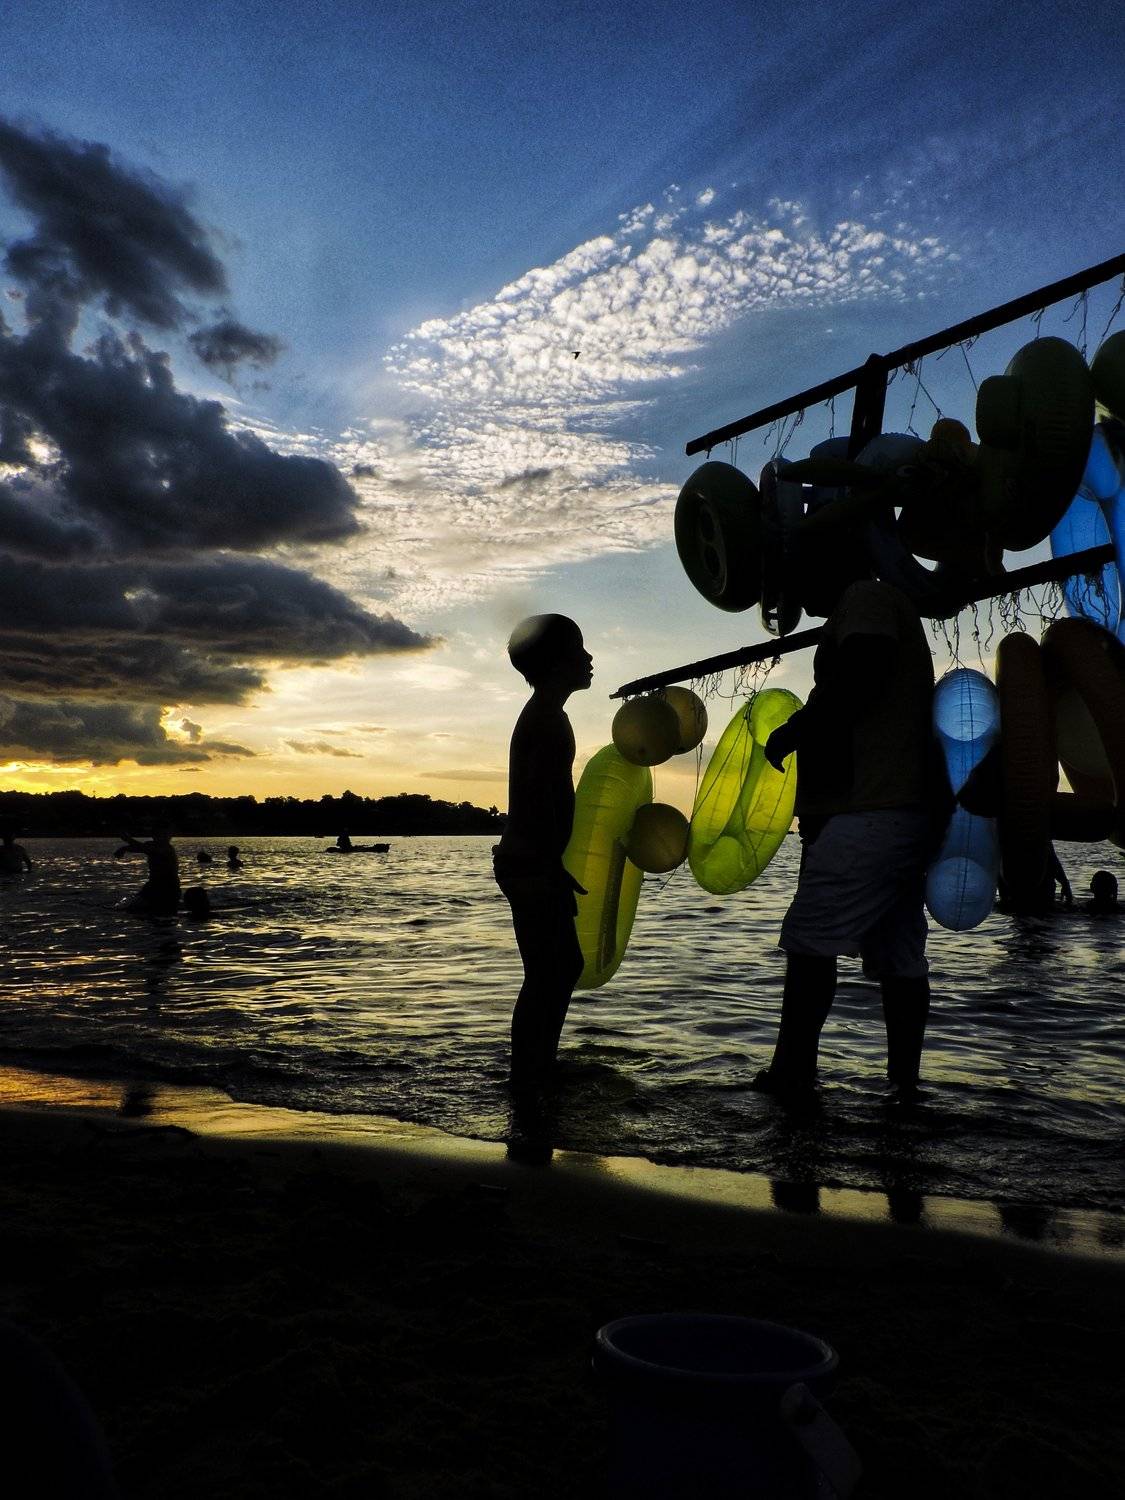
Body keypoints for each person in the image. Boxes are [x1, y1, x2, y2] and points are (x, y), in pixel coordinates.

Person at [752, 532, 945, 1102]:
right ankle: (904, 1091)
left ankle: (793, 1077)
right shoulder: (874, 602)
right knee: (899, 958)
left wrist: (796, 730)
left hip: (870, 812)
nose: (797, 589)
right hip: (896, 812)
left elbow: (860, 676)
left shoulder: (864, 597)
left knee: (811, 944)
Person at [493, 614, 593, 1093]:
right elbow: (538, 796)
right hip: (530, 863)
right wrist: (550, 866)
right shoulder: (547, 719)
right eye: (579, 649)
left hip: (531, 861)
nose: (589, 658)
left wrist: (554, 862)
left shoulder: (549, 714)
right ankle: (530, 1075)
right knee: (550, 970)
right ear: (556, 664)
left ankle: (535, 1069)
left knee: (557, 967)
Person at [114, 825, 180, 915]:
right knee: (131, 908)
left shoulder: (167, 849)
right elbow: (140, 848)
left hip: (167, 887)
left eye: (166, 835)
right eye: (160, 834)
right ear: (154, 835)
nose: (163, 837)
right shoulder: (151, 845)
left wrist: (127, 839)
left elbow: (144, 848)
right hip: (153, 886)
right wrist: (124, 848)